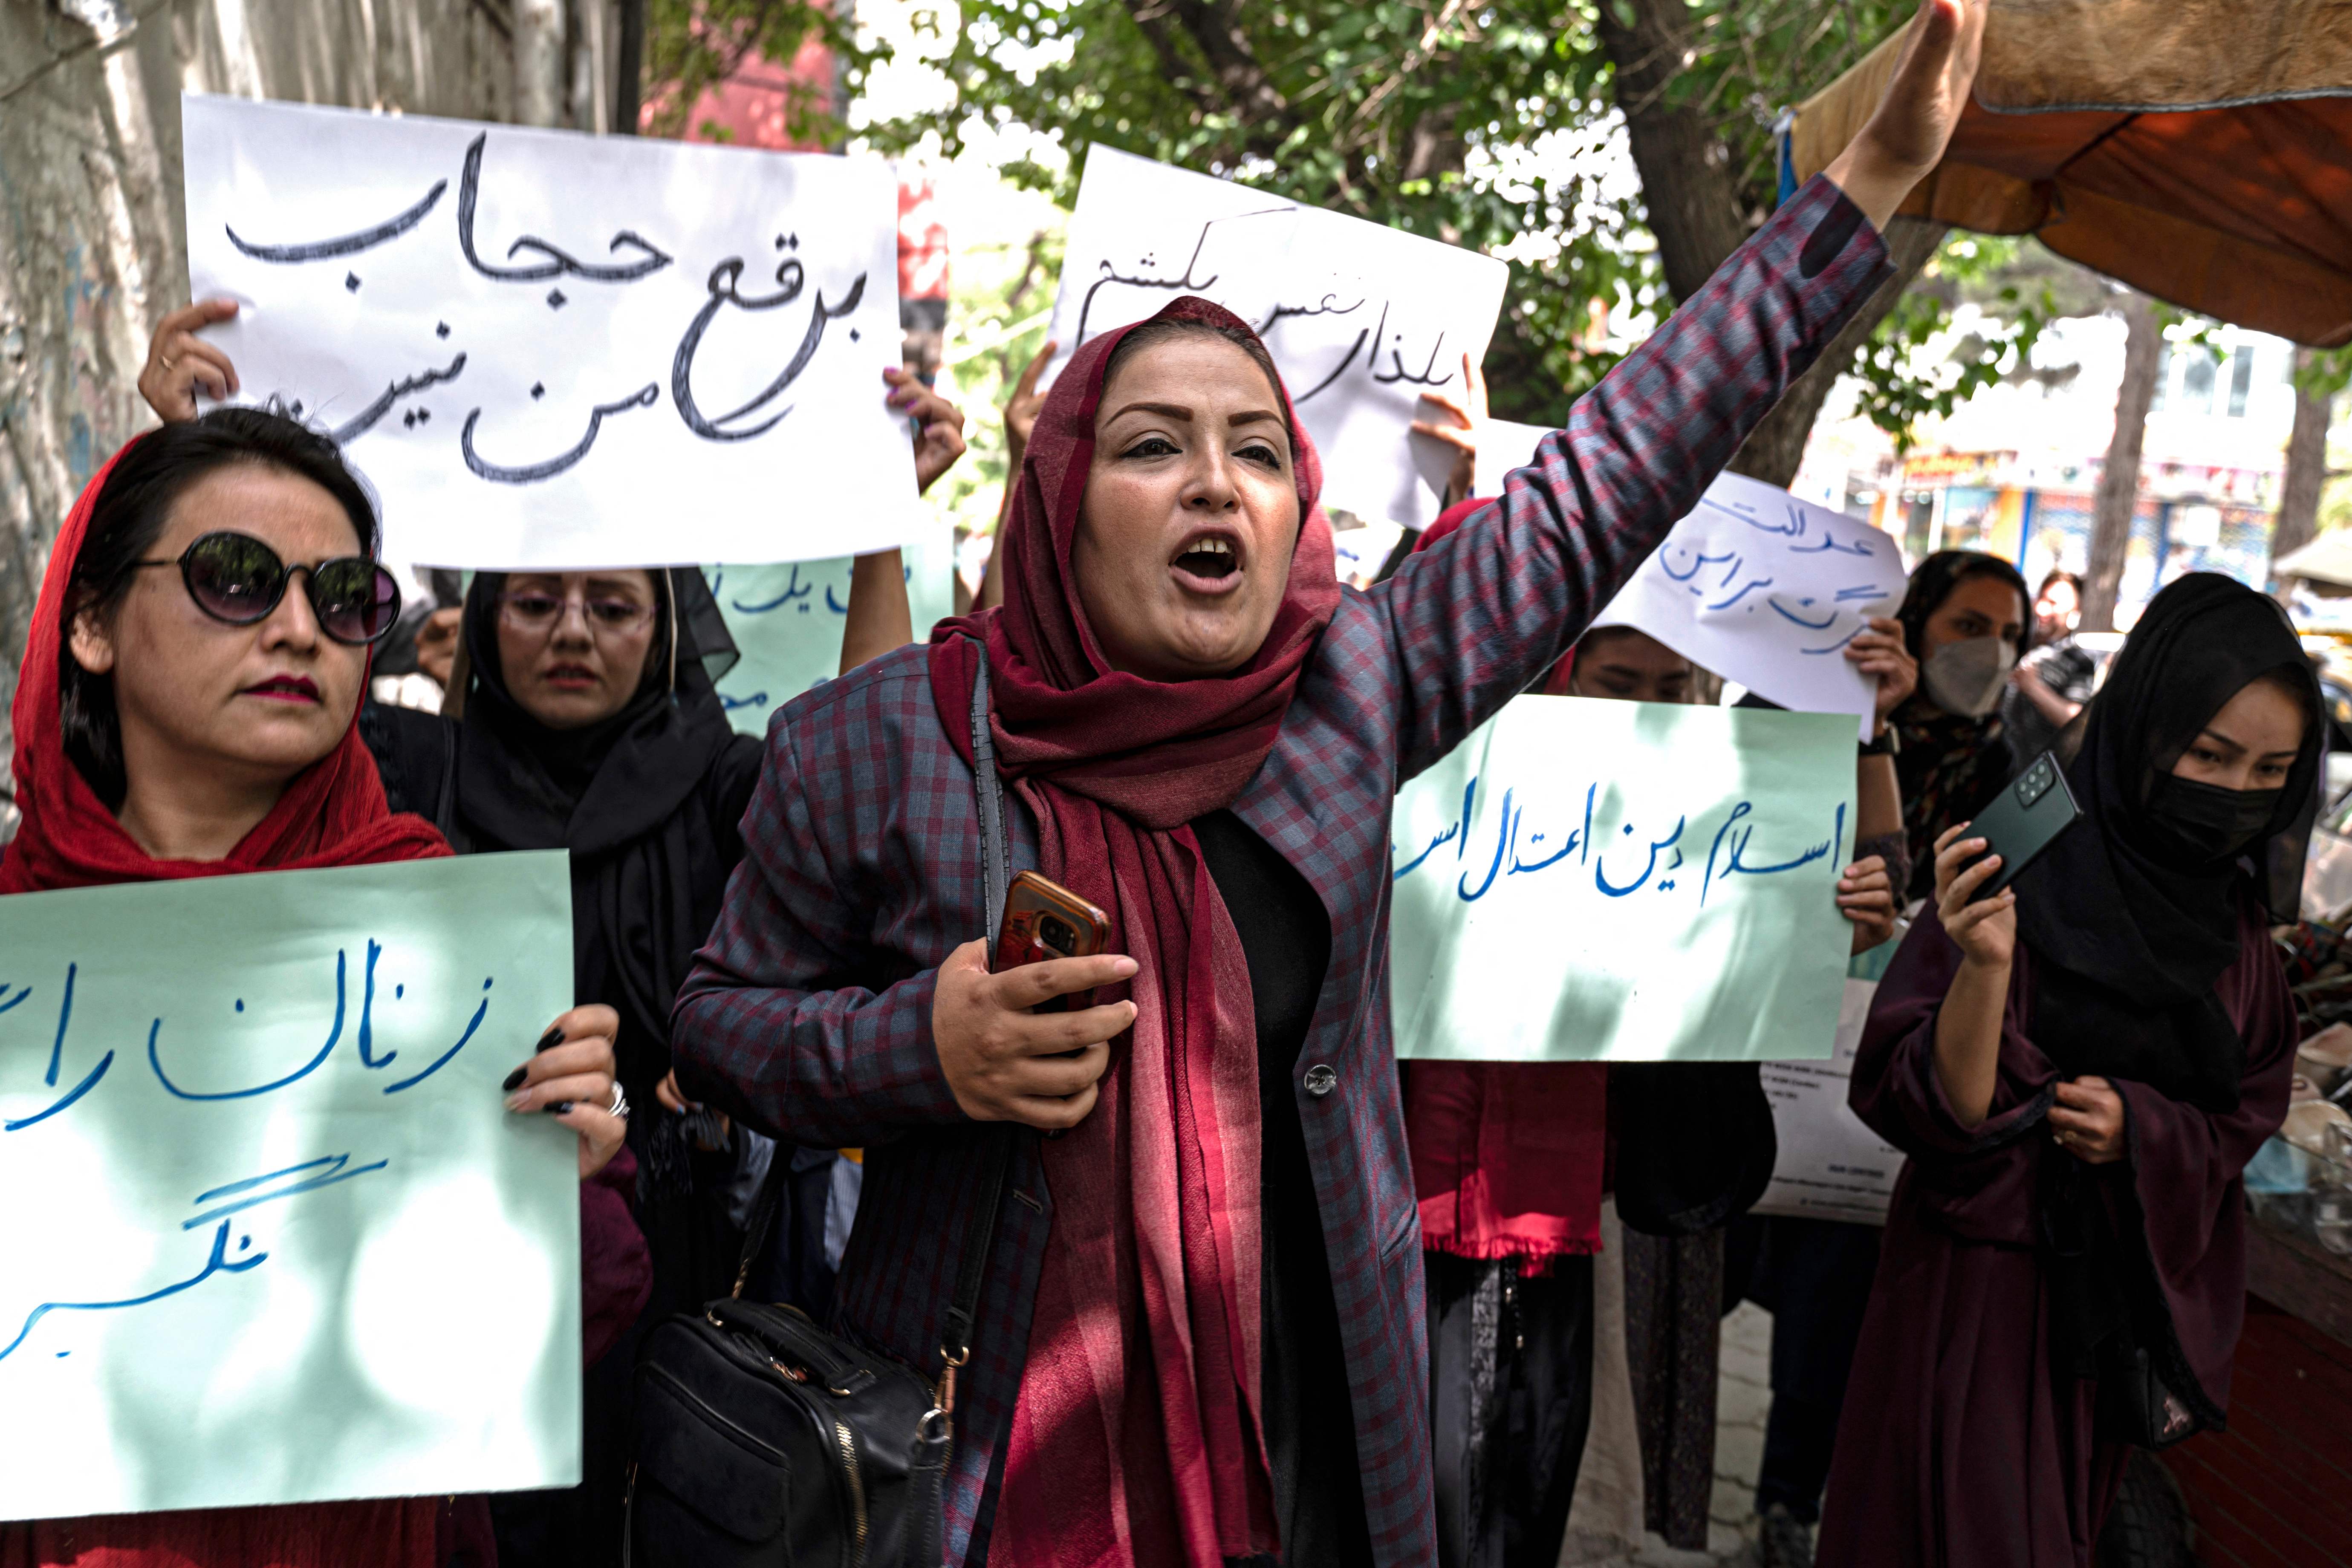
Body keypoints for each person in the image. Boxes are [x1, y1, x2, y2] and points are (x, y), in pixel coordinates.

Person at [668, 7, 1983, 1560]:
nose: (1214, 481)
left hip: (1305, 1457)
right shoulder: (875, 741)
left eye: (1257, 449)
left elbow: (1610, 473)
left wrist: (1864, 185)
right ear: (1061, 499)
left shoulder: (1353, 689)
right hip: (986, 1476)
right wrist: (921, 1045)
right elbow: (720, 1026)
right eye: (1152, 446)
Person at [134, 317, 970, 1565]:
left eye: (612, 605)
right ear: (482, 622)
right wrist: (189, 457)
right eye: (534, 601)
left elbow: (867, 780)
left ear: (664, 630)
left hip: (695, 1287)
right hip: (430, 1287)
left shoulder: (732, 788)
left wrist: (874, 524)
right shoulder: (403, 773)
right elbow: (225, 705)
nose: (572, 630)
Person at [0, 409, 644, 1567]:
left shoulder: (439, 944)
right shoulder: (18, 937)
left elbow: (548, 1324)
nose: (300, 628)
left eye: (345, 596)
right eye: (234, 578)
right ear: (91, 623)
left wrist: (564, 1164)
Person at [1395, 499, 1913, 1567]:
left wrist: (1857, 762)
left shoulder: (1706, 805)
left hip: (1581, 1213)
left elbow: (1865, 866)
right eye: (1613, 684)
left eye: (1673, 689)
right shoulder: (1426, 783)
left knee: (1520, 1491)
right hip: (1406, 1203)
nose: (1643, 715)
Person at [1817, 573, 2314, 1565]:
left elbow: (2249, 1099)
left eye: (2270, 770)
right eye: (2209, 755)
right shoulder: (2020, 846)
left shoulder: (2234, 919)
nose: (2234, 794)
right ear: (2143, 729)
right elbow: (1933, 1106)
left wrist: (2144, 1128)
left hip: (2106, 1322)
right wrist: (1985, 966)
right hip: (1975, 1302)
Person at [1887, 548, 2032, 902]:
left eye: (2010, 635)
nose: (1994, 653)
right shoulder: (1853, 724)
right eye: (1970, 627)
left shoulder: (1993, 756)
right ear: (1916, 623)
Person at [2005, 568, 2097, 761]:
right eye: (2042, 599)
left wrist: (2033, 688)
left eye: (2053, 603)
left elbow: (2074, 721)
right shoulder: (2019, 642)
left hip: (2031, 767)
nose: (2041, 609)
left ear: (2075, 609)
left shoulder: (2078, 661)